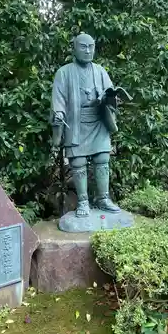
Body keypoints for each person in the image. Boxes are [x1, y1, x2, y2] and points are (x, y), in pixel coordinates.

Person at [51, 33, 125, 218]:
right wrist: (59, 113)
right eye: (83, 47)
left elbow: (111, 94)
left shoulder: (100, 71)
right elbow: (58, 100)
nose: (88, 50)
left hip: (98, 120)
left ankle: (103, 199)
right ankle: (83, 202)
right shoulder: (64, 72)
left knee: (102, 158)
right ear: (74, 48)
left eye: (91, 46)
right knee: (78, 162)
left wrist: (109, 98)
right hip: (76, 123)